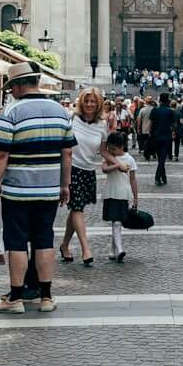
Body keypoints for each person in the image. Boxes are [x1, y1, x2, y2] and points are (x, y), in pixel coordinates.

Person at [0, 61, 73, 315]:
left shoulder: (11, 112)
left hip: (18, 190)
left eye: (11, 86)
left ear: (18, 85)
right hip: (48, 188)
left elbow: (0, 155)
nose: (11, 91)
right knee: (44, 240)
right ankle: (46, 297)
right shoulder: (60, 111)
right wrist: (64, 185)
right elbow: (67, 152)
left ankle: (15, 298)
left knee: (16, 243)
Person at [61, 88, 107, 266]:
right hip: (71, 169)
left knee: (76, 209)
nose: (89, 104)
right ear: (81, 102)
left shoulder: (102, 125)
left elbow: (103, 151)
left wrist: (118, 163)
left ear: (98, 104)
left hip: (88, 171)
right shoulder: (71, 119)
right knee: (78, 208)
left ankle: (64, 245)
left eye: (93, 101)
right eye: (86, 101)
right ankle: (85, 248)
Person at [99, 130, 139, 264]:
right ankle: (118, 250)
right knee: (115, 222)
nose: (110, 150)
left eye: (113, 148)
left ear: (122, 147)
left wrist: (135, 198)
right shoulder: (109, 158)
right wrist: (117, 165)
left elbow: (133, 179)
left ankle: (116, 250)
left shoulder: (130, 159)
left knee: (117, 222)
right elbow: (104, 169)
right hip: (110, 192)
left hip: (123, 193)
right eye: (109, 147)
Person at [146, 92, 175, 187]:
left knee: (160, 159)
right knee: (162, 159)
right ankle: (157, 177)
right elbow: (172, 126)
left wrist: (149, 133)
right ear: (167, 101)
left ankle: (163, 176)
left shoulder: (155, 110)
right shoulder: (170, 111)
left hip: (155, 136)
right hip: (166, 137)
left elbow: (150, 123)